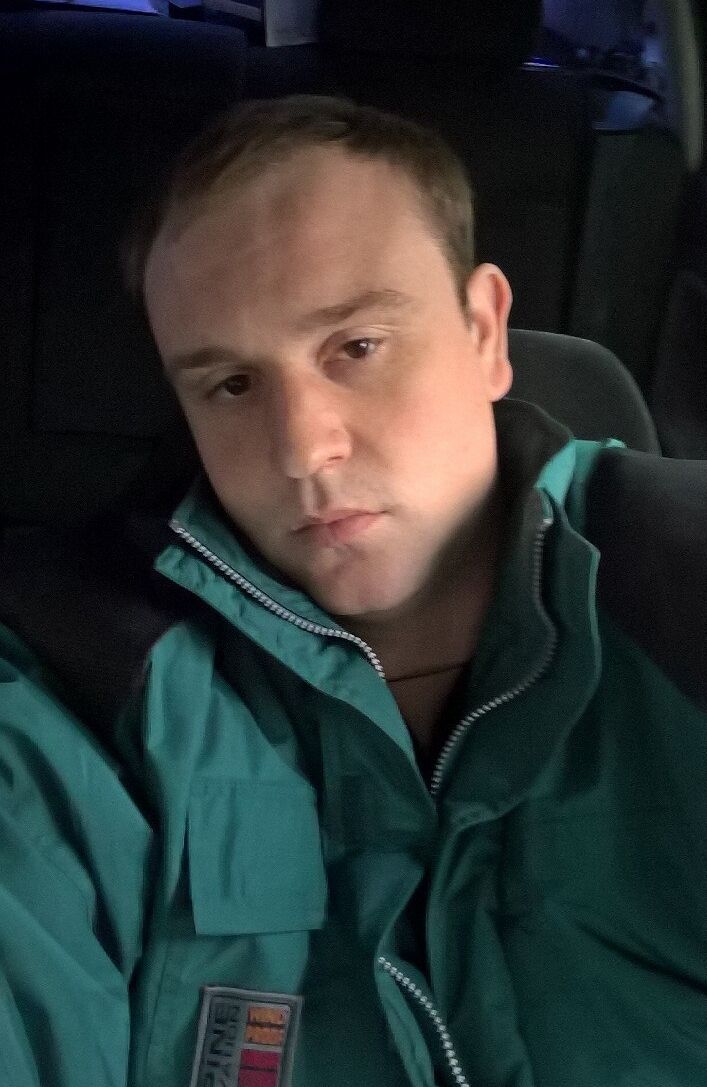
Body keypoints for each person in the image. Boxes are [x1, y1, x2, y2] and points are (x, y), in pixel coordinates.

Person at [1, 95, 706, 1087]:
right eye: (231, 385)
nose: (300, 448)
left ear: (483, 331)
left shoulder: (681, 589)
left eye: (356, 347)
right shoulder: (83, 678)